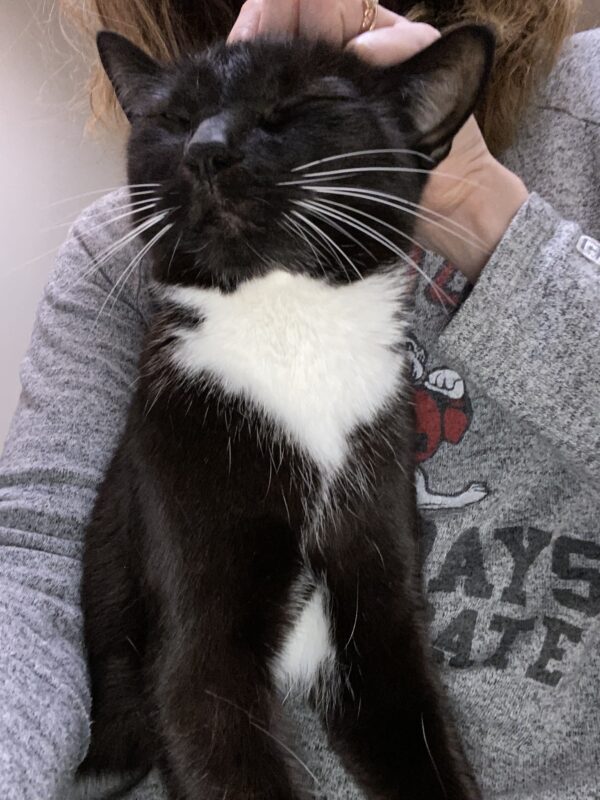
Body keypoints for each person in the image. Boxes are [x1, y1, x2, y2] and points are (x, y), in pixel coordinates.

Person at [0, 0, 598, 797]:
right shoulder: (119, 253)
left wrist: (478, 207)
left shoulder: (585, 113)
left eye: (297, 114)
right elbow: (31, 567)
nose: (211, 146)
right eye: (181, 121)